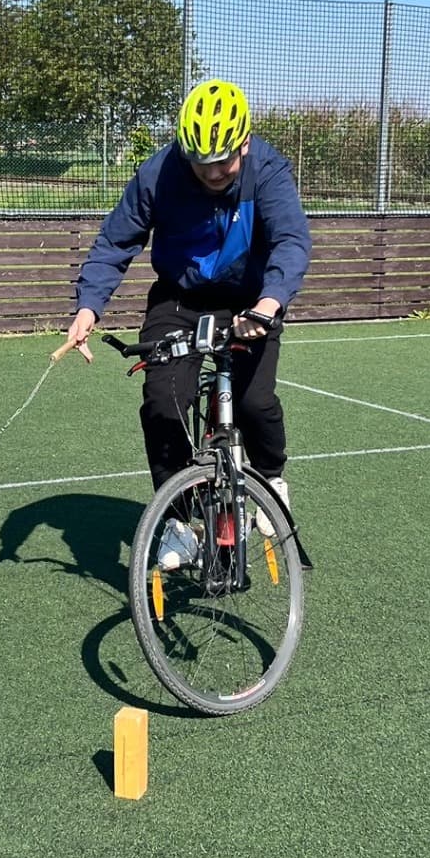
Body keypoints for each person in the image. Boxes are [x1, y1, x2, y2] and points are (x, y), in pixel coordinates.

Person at [60, 78, 312, 568]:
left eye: (223, 161)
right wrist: (88, 307)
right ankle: (179, 522)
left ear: (244, 143)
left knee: (254, 402)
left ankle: (271, 477)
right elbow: (115, 242)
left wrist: (269, 303)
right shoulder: (159, 174)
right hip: (180, 300)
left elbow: (291, 241)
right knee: (163, 404)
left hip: (251, 302)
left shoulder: (268, 170)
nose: (212, 172)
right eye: (200, 162)